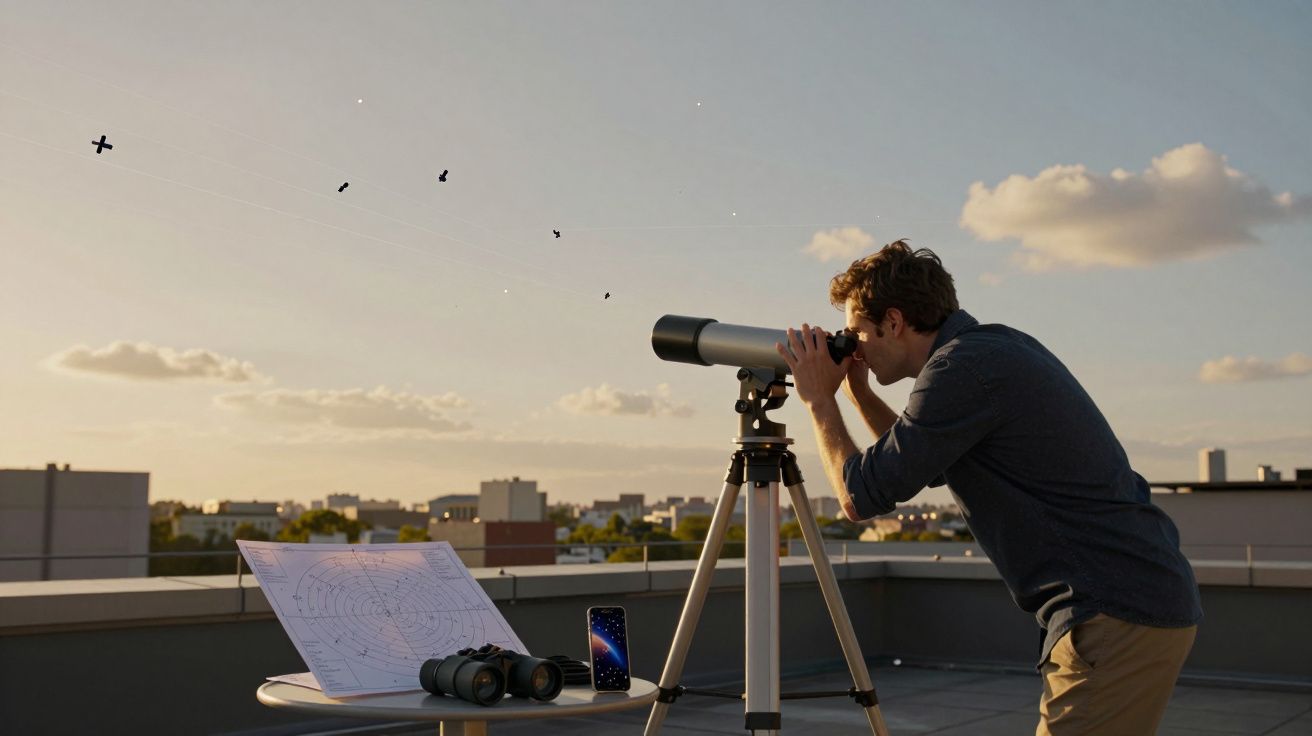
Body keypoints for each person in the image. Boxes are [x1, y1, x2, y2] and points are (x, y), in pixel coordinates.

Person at [774, 239, 1202, 736]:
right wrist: (859, 395)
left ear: (892, 322)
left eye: (856, 333)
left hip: (1112, 610)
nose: (854, 348)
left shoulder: (959, 370)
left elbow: (858, 497)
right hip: (1135, 597)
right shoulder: (993, 350)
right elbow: (926, 465)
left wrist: (819, 402)